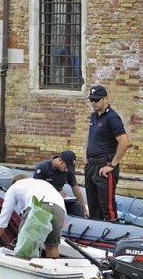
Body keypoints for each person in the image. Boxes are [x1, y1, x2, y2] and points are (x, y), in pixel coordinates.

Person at [0, 175, 66, 258]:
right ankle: (54, 268)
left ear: (13, 183)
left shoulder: (14, 187)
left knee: (24, 248)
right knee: (52, 246)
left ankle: (23, 269)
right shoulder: (41, 183)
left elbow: (4, 218)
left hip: (38, 206)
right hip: (60, 209)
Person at [84, 84, 131, 221]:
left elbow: (124, 141)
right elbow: (93, 137)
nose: (93, 103)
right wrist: (86, 151)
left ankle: (111, 229)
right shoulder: (93, 116)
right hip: (91, 166)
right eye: (91, 100)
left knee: (107, 206)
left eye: (96, 100)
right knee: (93, 204)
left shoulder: (112, 117)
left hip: (104, 165)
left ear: (105, 99)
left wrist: (112, 165)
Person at [32, 150, 89, 218]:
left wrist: (84, 209)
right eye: (66, 167)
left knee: (77, 207)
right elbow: (35, 189)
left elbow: (76, 189)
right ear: (60, 160)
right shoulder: (43, 167)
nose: (67, 170)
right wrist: (55, 193)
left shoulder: (68, 171)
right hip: (46, 200)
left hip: (61, 200)